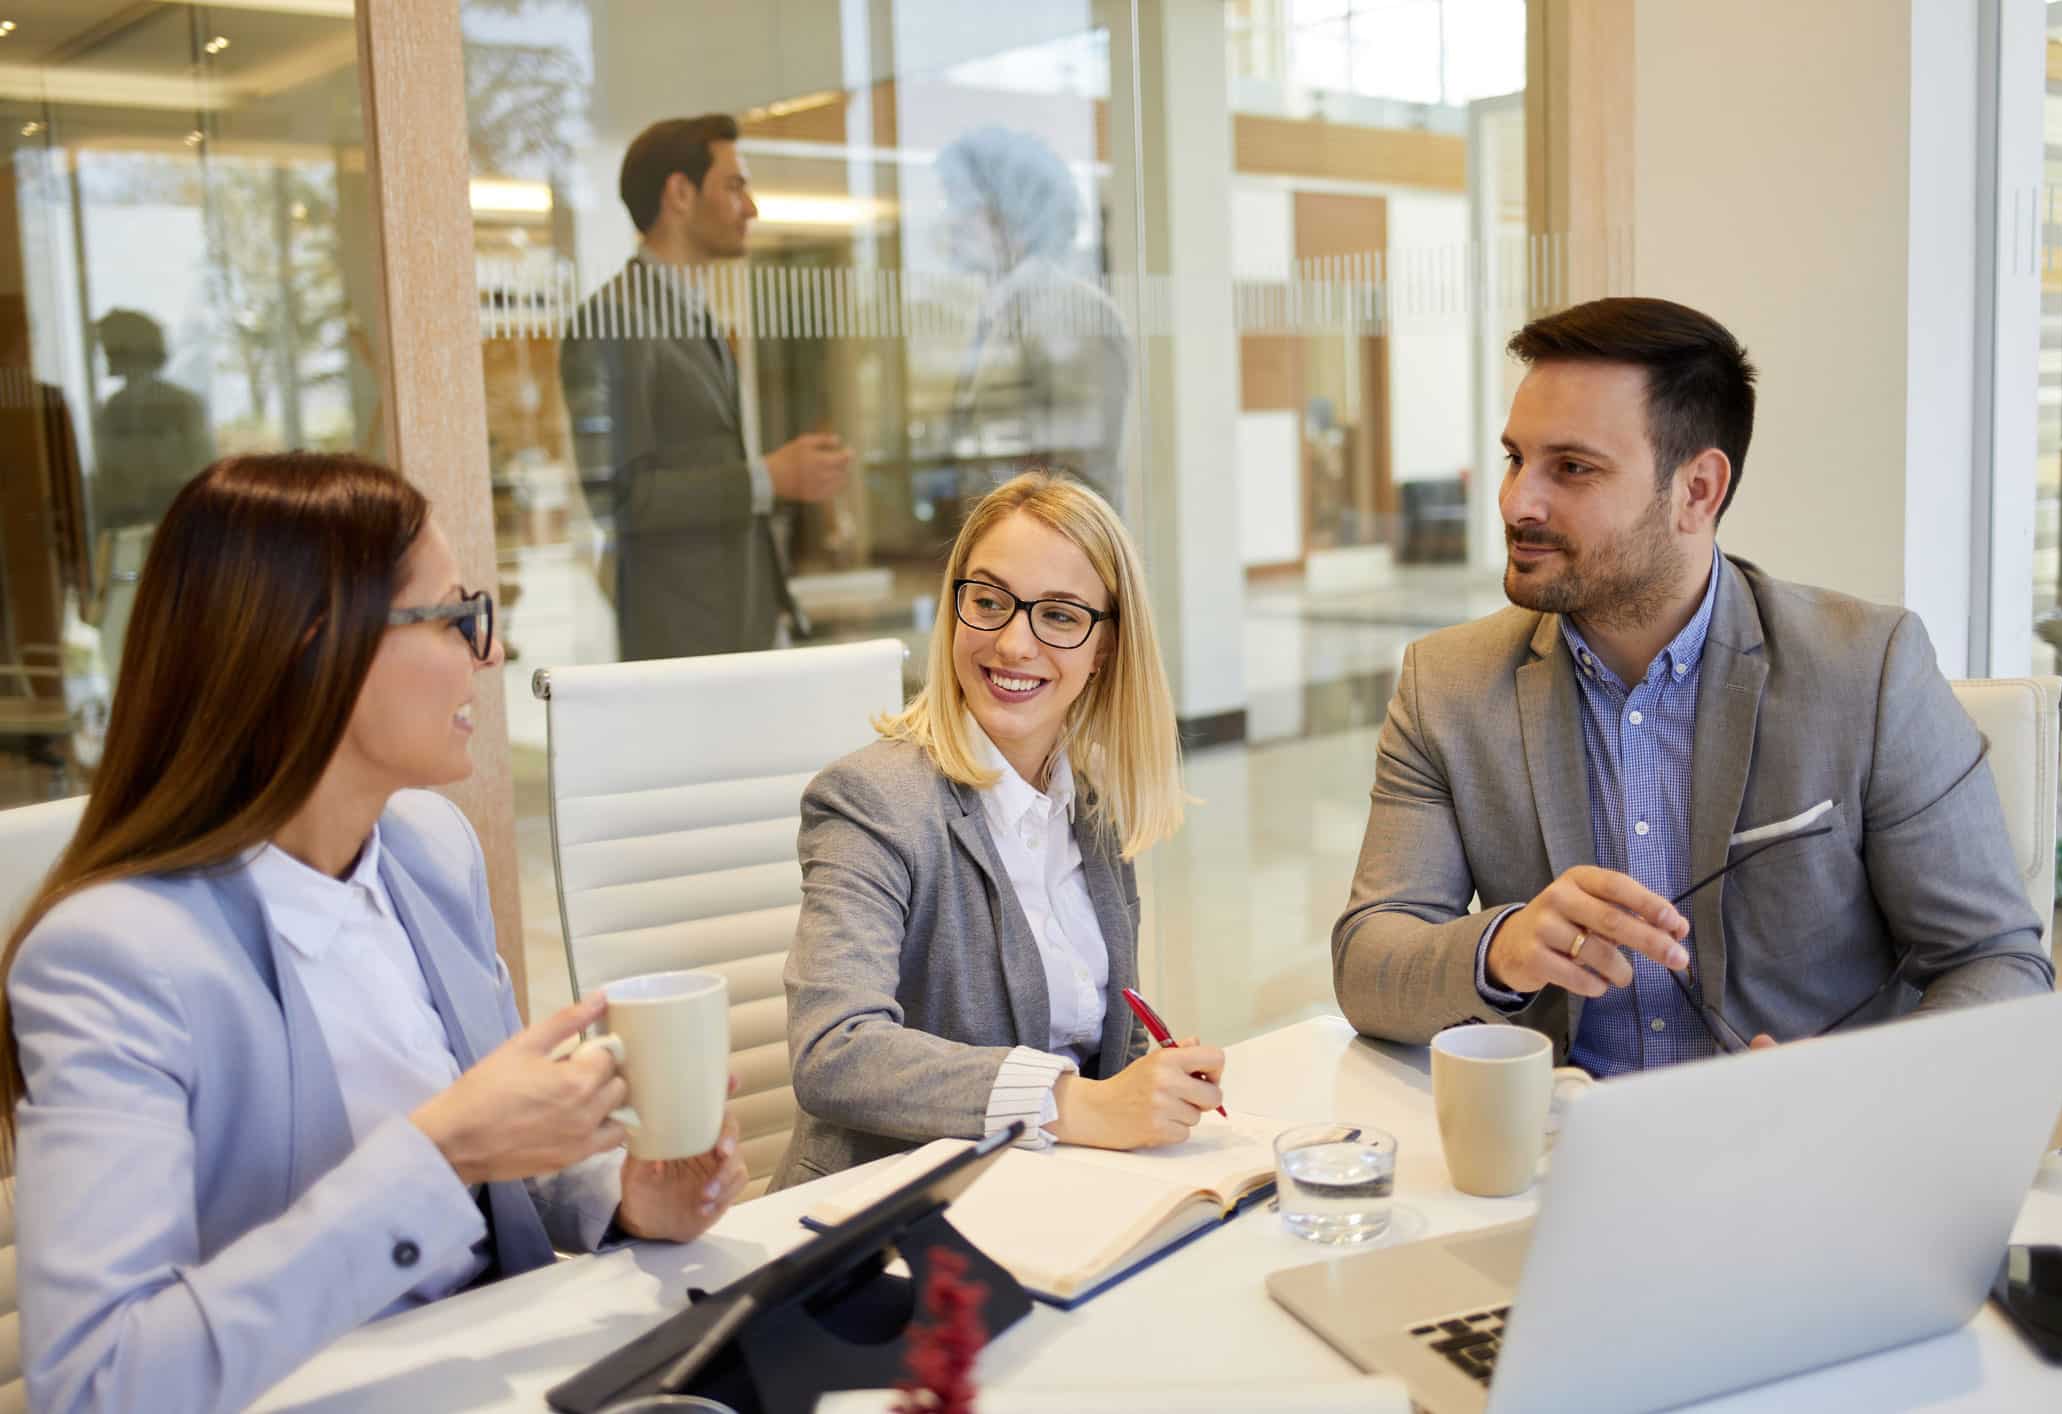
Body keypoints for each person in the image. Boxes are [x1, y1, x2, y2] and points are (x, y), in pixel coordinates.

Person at [2, 453, 748, 1414]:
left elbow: (496, 1160)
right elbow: (96, 1385)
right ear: (321, 649)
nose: (491, 653)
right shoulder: (114, 958)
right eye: (455, 617)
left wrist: (622, 1192)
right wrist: (440, 1154)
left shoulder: (430, 851)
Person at [1332, 297, 2051, 1073]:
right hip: (1556, 1146)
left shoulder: (1866, 669)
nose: (1517, 502)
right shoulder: (1446, 686)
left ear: (1697, 491)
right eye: (1516, 458)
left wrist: (1858, 1083)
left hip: (1800, 1150)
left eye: (1571, 468)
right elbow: (1367, 966)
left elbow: (1996, 962)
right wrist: (1501, 946)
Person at [774, 471, 1209, 1187]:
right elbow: (834, 1052)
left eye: (1061, 616)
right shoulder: (870, 801)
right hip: (890, 1215)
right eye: (989, 601)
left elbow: (1096, 1043)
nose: (1012, 643)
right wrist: (1074, 1103)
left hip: (1046, 1192)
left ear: (1104, 648)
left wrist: (1152, 1082)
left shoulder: (1090, 804)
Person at [561, 113, 851, 659]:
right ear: (680, 193)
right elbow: (620, 498)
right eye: (735, 186)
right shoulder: (613, 322)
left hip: (740, 631)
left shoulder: (695, 317)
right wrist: (769, 477)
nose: (752, 208)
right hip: (681, 646)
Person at [935, 126, 1132, 510]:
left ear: (1011, 218)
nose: (952, 221)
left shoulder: (1073, 314)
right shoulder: (1001, 312)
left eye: (965, 206)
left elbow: (1083, 477)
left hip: (1053, 558)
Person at [91, 309, 215, 533]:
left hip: (177, 521)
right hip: (125, 525)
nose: (106, 354)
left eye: (111, 346)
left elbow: (201, 466)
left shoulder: (182, 403)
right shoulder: (112, 407)